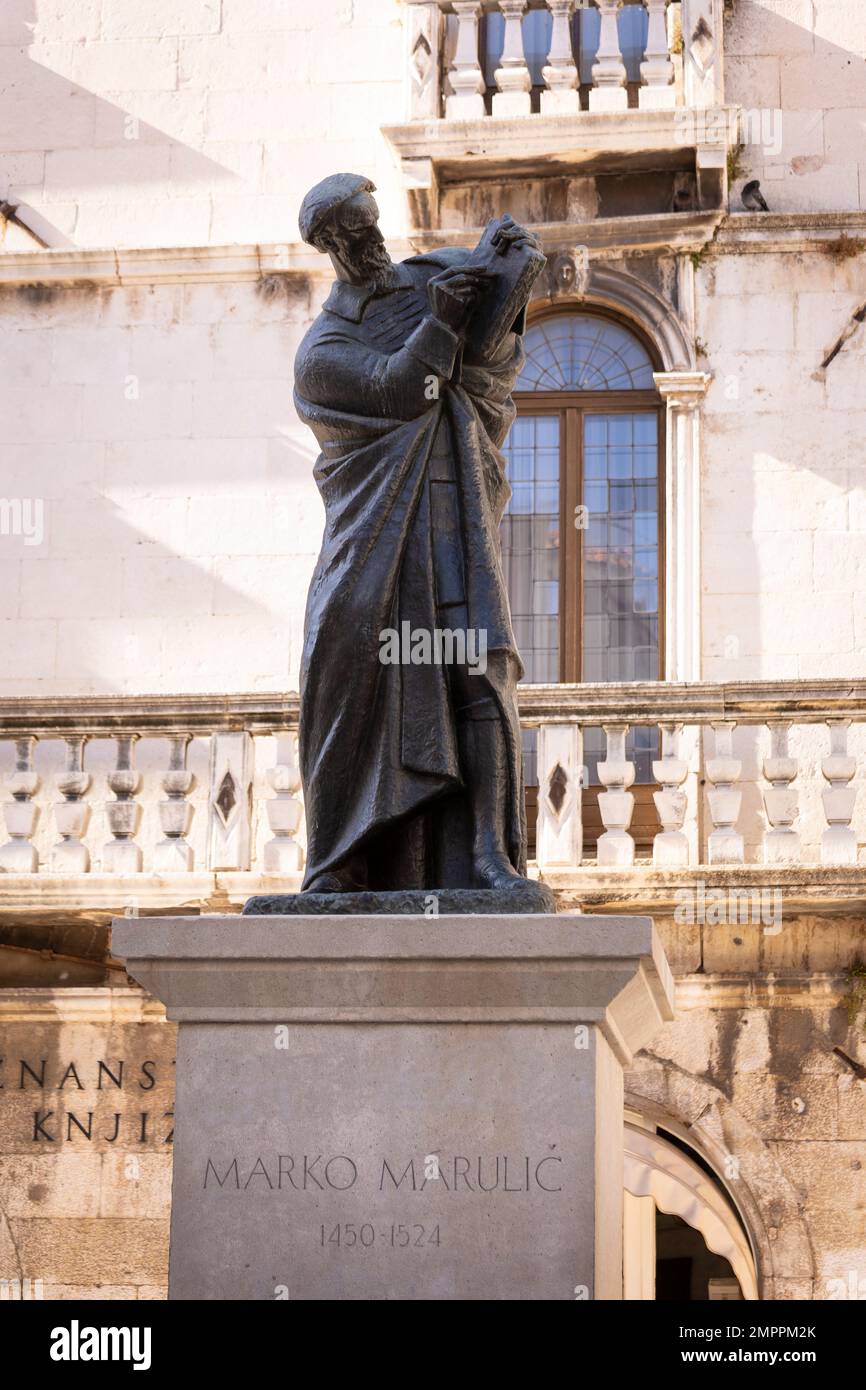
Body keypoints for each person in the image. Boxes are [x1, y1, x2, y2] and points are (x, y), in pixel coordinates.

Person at [294, 172, 541, 893]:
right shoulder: (322, 353)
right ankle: (345, 861)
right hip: (377, 551)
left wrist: (506, 276)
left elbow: (484, 373)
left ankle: (489, 856)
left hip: (453, 519)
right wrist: (441, 323)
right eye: (357, 232)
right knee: (362, 689)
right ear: (330, 244)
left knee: (480, 672)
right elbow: (401, 391)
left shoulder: (426, 280)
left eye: (374, 224)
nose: (375, 240)